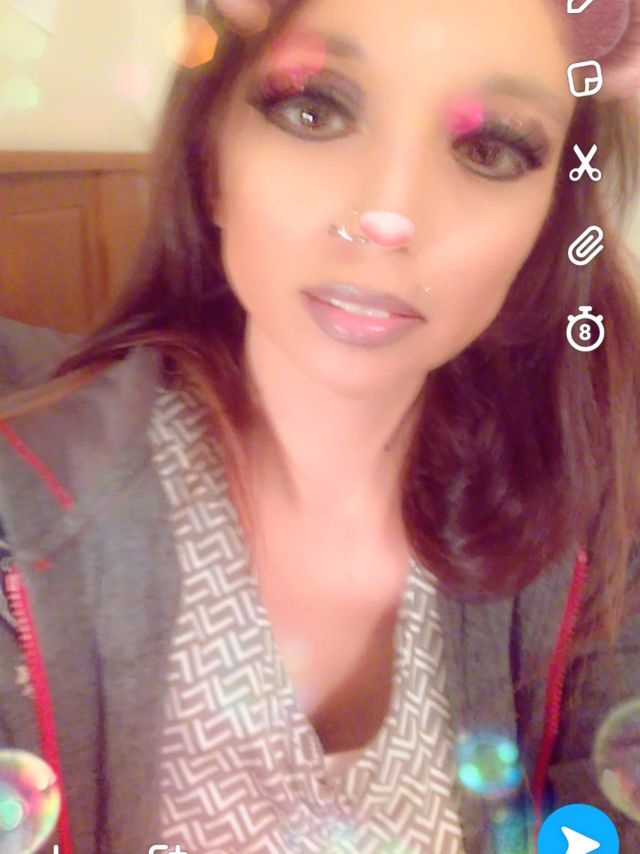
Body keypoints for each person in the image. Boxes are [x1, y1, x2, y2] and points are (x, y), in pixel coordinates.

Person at [1, 0, 640, 851]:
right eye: (314, 110)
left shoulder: (596, 520)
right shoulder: (23, 519)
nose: (387, 218)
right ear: (212, 161)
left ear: (546, 225)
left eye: (490, 149)